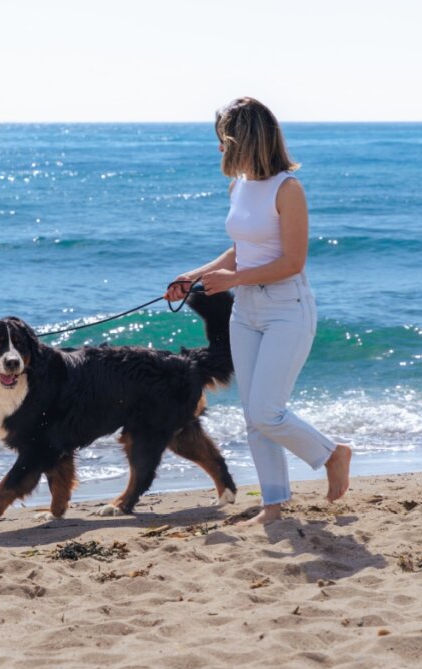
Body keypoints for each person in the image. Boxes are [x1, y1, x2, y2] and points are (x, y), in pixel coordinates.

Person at [165, 96, 352, 526]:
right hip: (245, 311)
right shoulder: (240, 186)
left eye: (222, 140)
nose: (218, 149)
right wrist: (191, 277)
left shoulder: (289, 189)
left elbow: (293, 262)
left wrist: (230, 282)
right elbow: (241, 250)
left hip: (287, 308)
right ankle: (274, 506)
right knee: (254, 417)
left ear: (242, 139)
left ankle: (332, 454)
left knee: (268, 410)